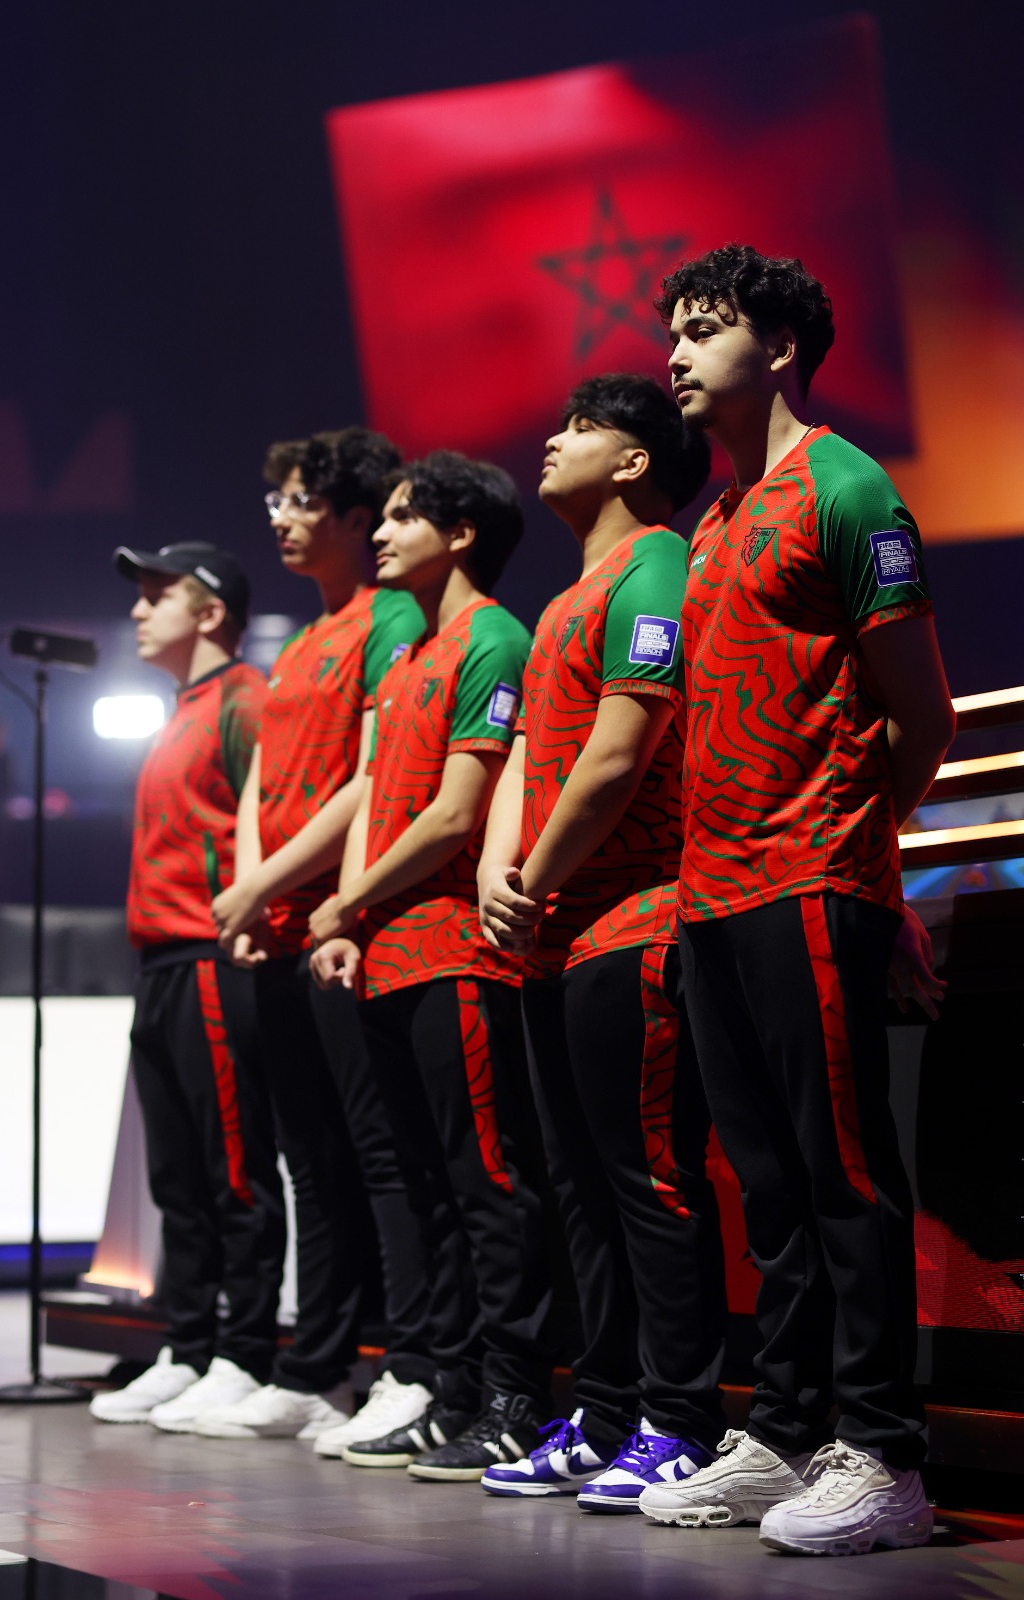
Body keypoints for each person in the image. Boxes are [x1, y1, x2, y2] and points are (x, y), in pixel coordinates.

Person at [637, 244, 955, 1556]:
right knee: (762, 1185)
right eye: (671, 330)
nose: (674, 352)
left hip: (811, 877)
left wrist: (858, 855)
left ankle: (884, 1455)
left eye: (702, 328)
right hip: (710, 895)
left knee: (842, 1179)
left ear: (777, 348)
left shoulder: (847, 486)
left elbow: (921, 716)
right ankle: (781, 1432)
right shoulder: (712, 523)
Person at [476, 374, 729, 1512]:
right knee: (580, 1186)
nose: (552, 438)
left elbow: (622, 750)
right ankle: (609, 1409)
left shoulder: (656, 566)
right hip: (551, 932)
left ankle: (681, 1418)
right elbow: (531, 755)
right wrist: (499, 872)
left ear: (634, 462)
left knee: (647, 1181)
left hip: (633, 919)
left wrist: (531, 876)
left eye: (581, 428)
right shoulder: (565, 600)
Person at [312, 451, 556, 1481]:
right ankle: (448, 1390)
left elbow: (459, 813)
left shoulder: (495, 638)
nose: (381, 530)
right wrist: (349, 919)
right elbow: (378, 795)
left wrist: (345, 900)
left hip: (456, 953)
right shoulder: (407, 653)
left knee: (487, 1181)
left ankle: (516, 1398)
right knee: (428, 1188)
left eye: (405, 516)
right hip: (388, 955)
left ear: (461, 535)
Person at [202, 428, 434, 1449]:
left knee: (379, 1155)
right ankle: (317, 1365)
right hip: (282, 929)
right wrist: (254, 893)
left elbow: (374, 779)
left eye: (302, 502)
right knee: (307, 1157)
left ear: (353, 514)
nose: (284, 520)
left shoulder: (391, 618)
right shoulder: (298, 642)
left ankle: (405, 1361)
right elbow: (262, 779)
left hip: (347, 927)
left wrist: (266, 885)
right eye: (278, 503)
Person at [90, 542, 286, 1430]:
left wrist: (248, 924)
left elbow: (269, 823)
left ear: (209, 611)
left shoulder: (245, 700)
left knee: (232, 1164)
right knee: (175, 1172)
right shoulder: (180, 710)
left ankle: (245, 1351)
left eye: (156, 594)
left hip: (211, 955)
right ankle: (189, 1344)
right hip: (160, 963)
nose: (138, 610)